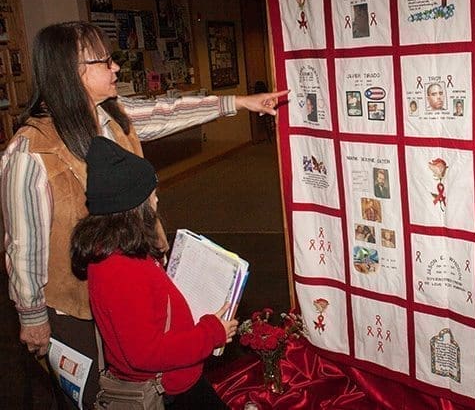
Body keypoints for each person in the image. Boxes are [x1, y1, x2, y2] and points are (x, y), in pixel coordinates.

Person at [0, 21, 287, 408]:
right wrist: (32, 316)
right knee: (100, 398)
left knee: (150, 383)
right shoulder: (31, 151)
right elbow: (24, 247)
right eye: (104, 61)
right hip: (74, 308)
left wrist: (240, 103)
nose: (116, 67)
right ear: (71, 71)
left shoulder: (112, 116)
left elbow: (168, 110)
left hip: (132, 286)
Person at [70, 136, 237, 409]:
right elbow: (145, 354)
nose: (157, 199)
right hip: (166, 389)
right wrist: (212, 333)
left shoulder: (118, 247)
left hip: (178, 377)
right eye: (152, 194)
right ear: (135, 206)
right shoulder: (120, 269)